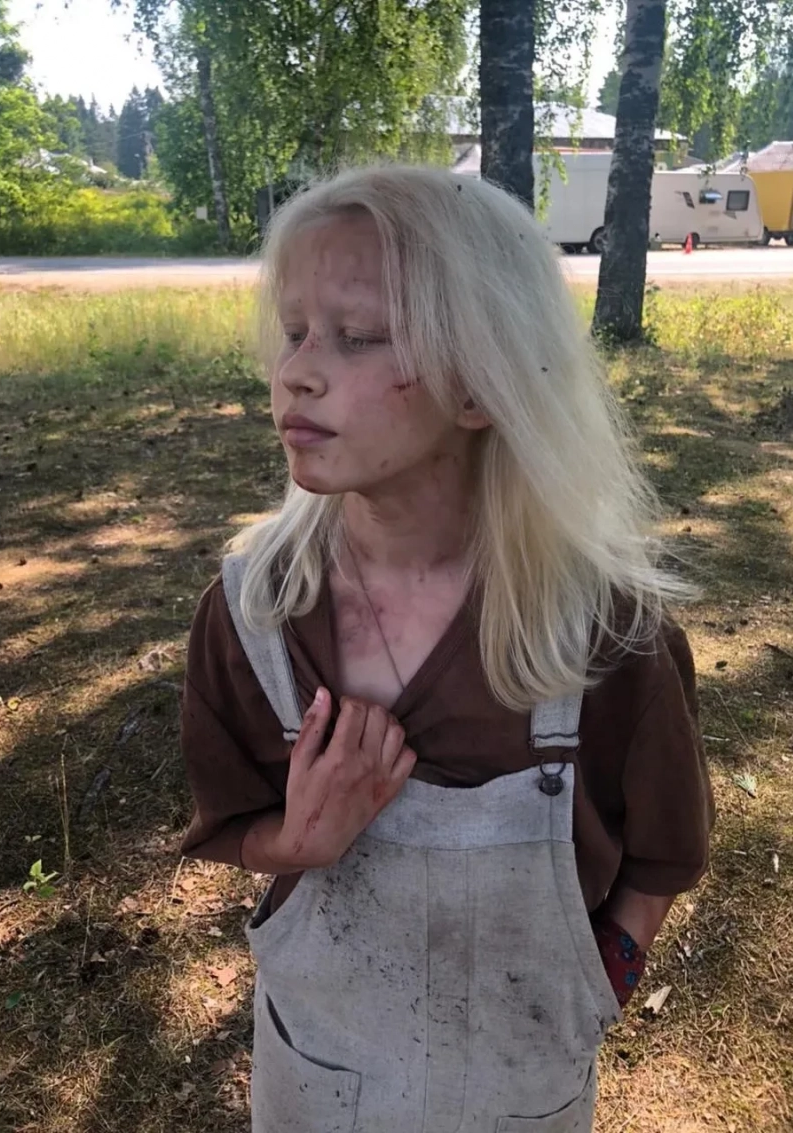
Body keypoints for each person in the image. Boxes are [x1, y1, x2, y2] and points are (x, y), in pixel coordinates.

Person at [179, 165, 713, 1133]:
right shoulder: (256, 615)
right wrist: (297, 843)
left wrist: (601, 982)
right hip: (315, 1090)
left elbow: (663, 854)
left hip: (523, 1096)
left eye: (356, 335)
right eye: (294, 332)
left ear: (478, 383)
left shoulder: (605, 638)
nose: (297, 372)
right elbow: (229, 817)